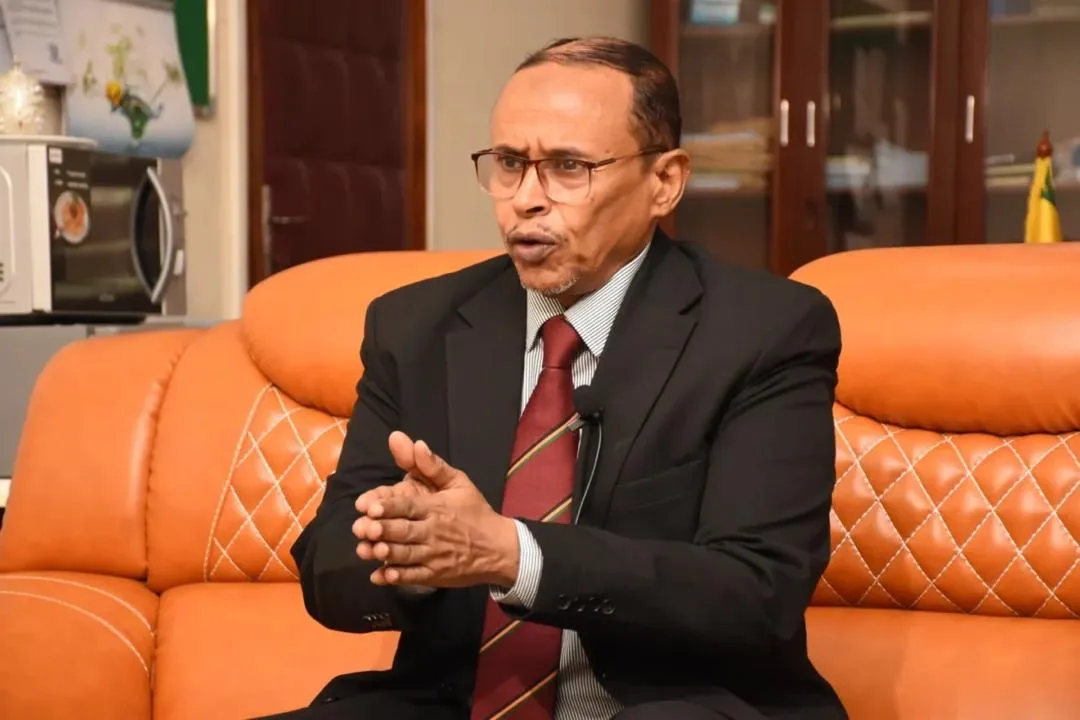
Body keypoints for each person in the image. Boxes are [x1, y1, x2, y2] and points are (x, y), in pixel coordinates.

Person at [270, 36, 846, 720]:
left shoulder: (763, 331)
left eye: (569, 167)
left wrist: (514, 555)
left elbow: (756, 591)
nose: (525, 200)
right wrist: (412, 552)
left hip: (672, 705)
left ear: (665, 182)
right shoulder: (416, 327)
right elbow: (328, 570)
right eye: (510, 164)